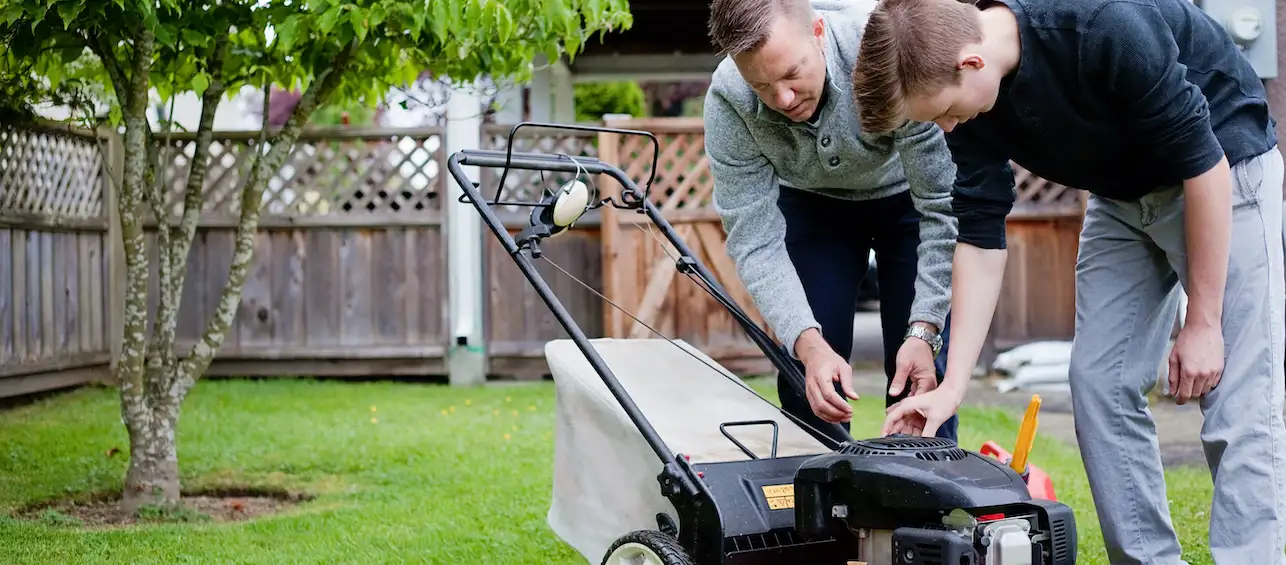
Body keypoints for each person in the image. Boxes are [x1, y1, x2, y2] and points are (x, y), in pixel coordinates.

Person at [851, 0, 1286, 562]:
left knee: (1238, 396)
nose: (946, 126)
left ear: (971, 63)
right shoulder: (970, 105)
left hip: (1224, 171)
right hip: (1124, 196)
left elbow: (1204, 164)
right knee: (1098, 382)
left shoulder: (1102, 25)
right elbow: (980, 238)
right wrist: (950, 385)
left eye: (944, 112)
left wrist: (1202, 320)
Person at [703, 0, 961, 443]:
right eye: (761, 85)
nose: (782, 99)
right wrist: (808, 344)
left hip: (907, 200)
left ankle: (925, 496)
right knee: (809, 378)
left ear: (818, 32)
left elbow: (940, 204)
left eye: (791, 74)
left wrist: (925, 328)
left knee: (920, 367)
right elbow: (754, 241)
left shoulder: (887, 51)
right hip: (812, 204)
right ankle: (822, 502)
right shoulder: (728, 99)